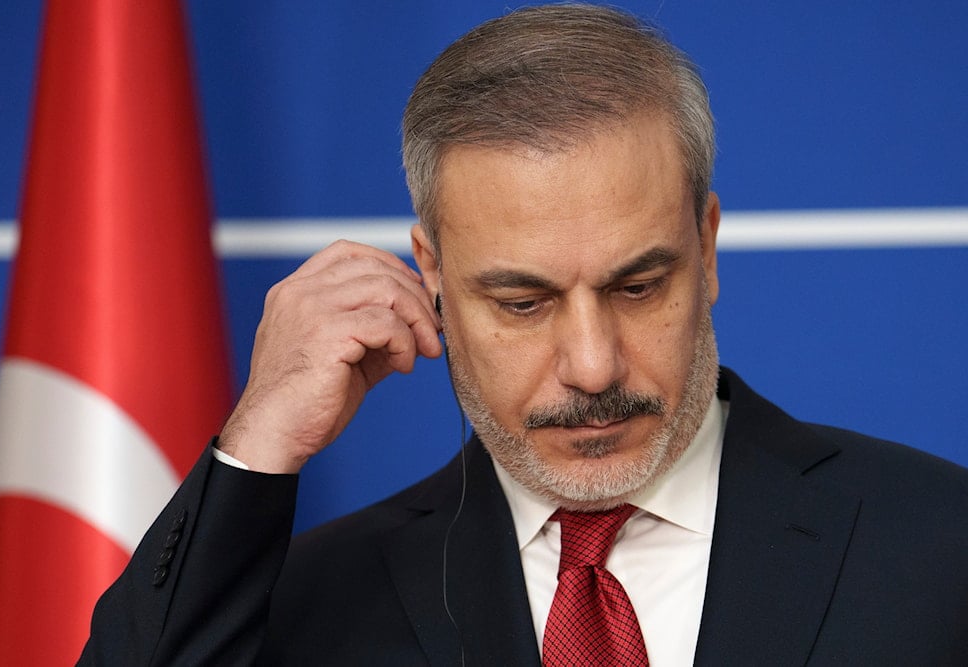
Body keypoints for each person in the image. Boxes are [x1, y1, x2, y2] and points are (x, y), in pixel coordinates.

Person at [79, 4, 968, 665]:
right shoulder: (306, 597)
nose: (592, 366)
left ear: (707, 244)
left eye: (637, 284)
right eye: (522, 301)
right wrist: (257, 442)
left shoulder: (939, 542)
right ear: (429, 273)